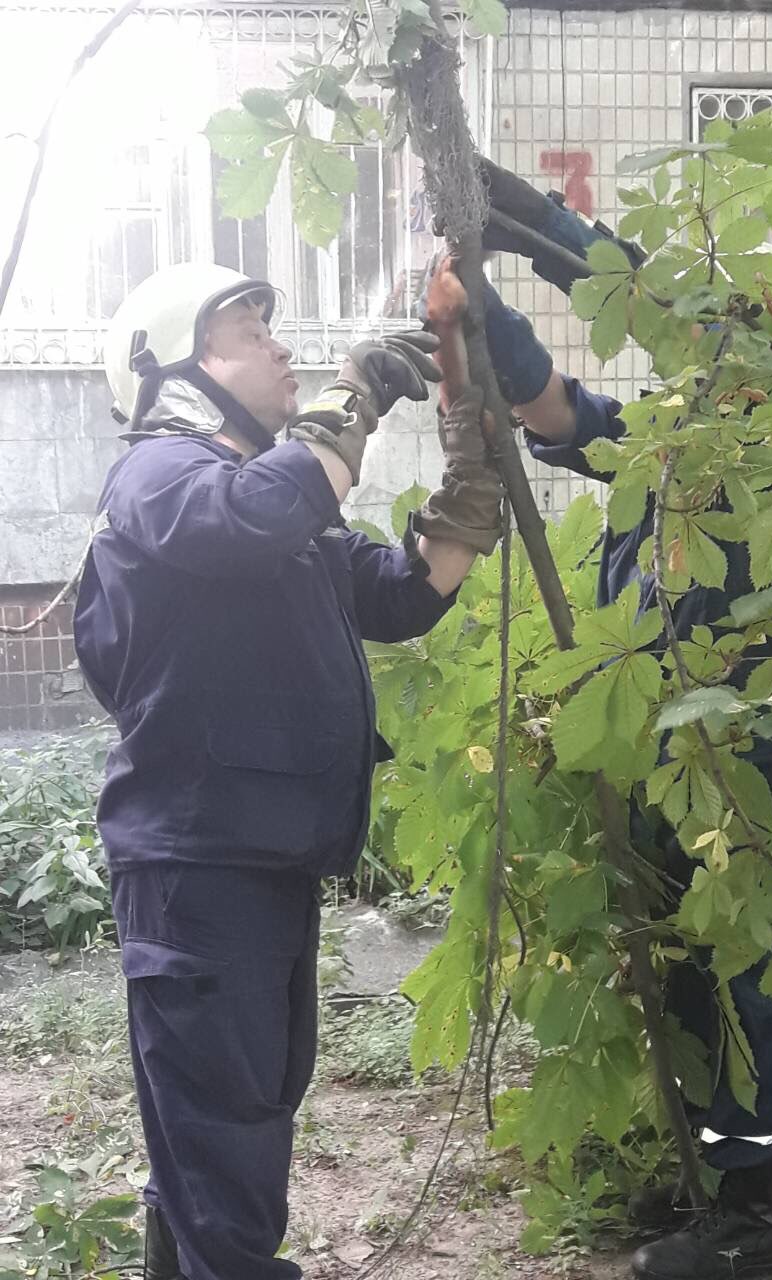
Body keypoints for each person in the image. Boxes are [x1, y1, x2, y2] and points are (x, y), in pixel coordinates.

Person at [73, 261, 505, 1280]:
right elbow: (247, 515)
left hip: (260, 860)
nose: (277, 346)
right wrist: (351, 397)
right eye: (245, 329)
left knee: (240, 1108)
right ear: (178, 368)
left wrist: (469, 475)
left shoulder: (276, 505)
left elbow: (398, 595)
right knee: (227, 1131)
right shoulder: (160, 476)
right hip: (197, 862)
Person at [473, 162, 772, 1280]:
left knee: (752, 978)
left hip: (755, 759)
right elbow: (552, 406)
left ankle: (752, 1222)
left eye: (728, 337)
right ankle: (707, 1171)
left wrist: (544, 228)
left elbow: (686, 313)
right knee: (684, 969)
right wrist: (481, 312)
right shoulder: (660, 445)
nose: (703, 358)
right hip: (664, 756)